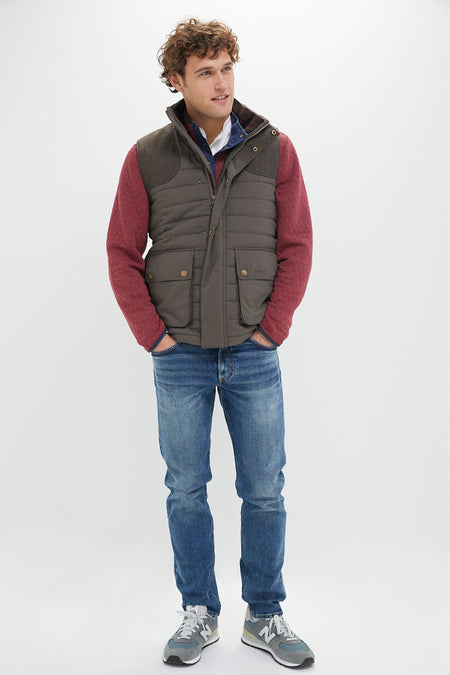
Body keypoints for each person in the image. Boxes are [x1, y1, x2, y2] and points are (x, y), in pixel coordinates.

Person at [106, 17, 315, 668]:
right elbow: (121, 252)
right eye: (205, 72)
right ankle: (198, 610)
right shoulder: (147, 156)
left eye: (227, 68)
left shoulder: (274, 149)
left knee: (265, 488)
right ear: (177, 80)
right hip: (181, 356)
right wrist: (154, 335)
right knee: (186, 488)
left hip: (254, 352)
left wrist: (272, 327)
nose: (221, 82)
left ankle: (265, 613)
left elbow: (297, 245)